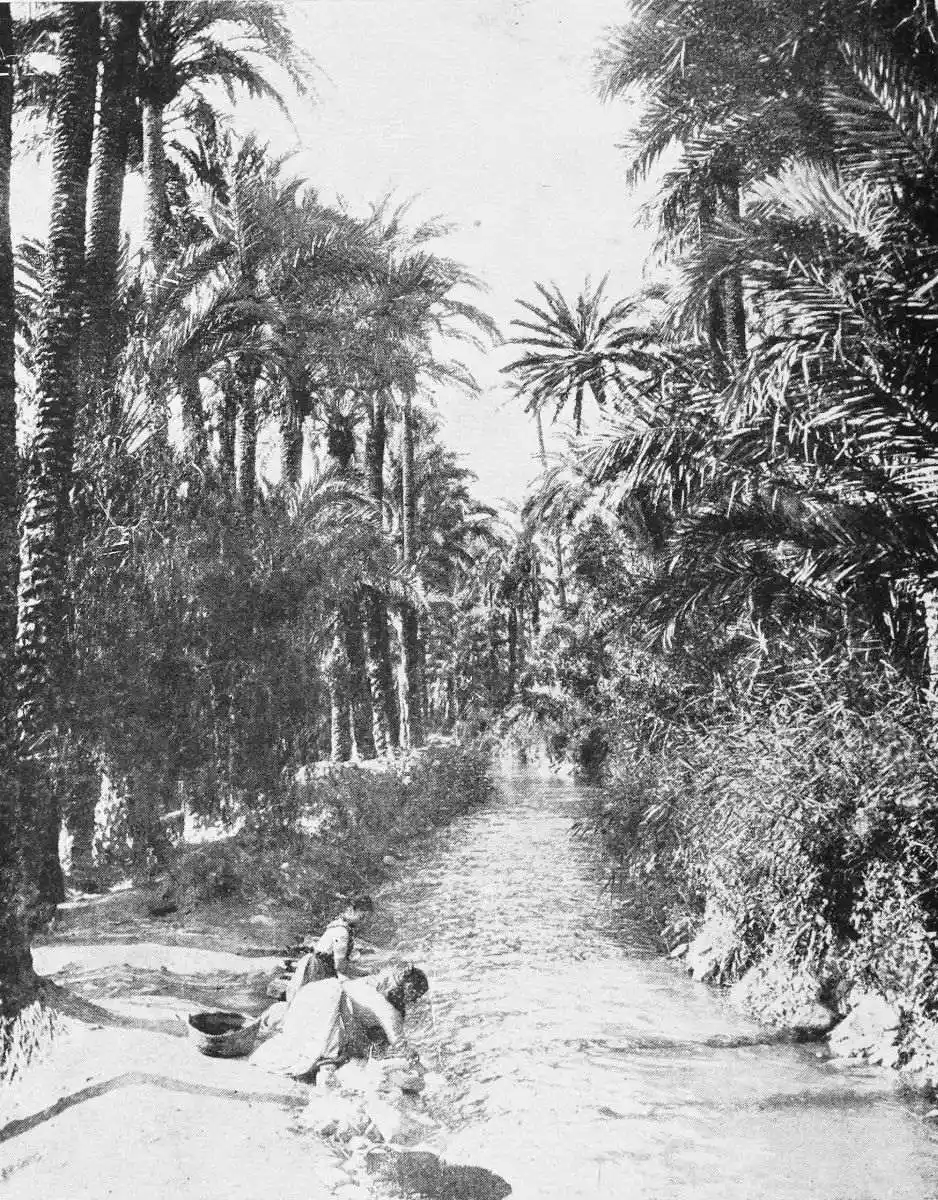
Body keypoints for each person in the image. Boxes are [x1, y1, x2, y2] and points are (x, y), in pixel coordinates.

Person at [252, 959, 429, 1084]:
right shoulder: (384, 1006)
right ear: (405, 988)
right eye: (414, 995)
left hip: (314, 993)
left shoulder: (370, 984)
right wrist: (417, 1065)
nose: (414, 1001)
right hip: (323, 1002)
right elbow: (397, 1039)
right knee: (322, 1056)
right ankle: (324, 1067)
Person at [286, 896, 374, 1002]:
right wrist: (365, 972)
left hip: (322, 969)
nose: (363, 922)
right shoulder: (342, 932)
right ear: (351, 910)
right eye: (362, 917)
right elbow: (340, 966)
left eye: (366, 919)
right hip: (318, 973)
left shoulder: (339, 925)